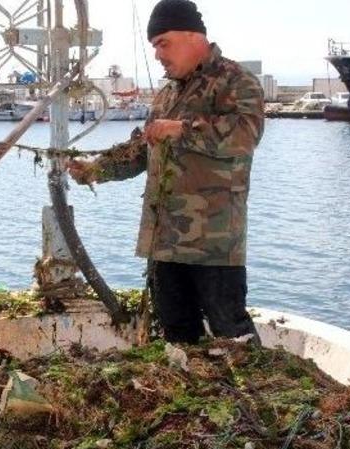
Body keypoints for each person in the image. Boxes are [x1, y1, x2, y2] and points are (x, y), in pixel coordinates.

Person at [67, 0, 265, 344]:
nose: (158, 54)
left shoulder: (235, 81)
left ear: (192, 35)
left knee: (230, 331)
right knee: (175, 332)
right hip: (163, 241)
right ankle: (192, 391)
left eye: (163, 43)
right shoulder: (167, 93)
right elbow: (141, 150)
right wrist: (94, 169)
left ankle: (251, 396)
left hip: (213, 243)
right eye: (154, 46)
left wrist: (181, 129)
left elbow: (244, 136)